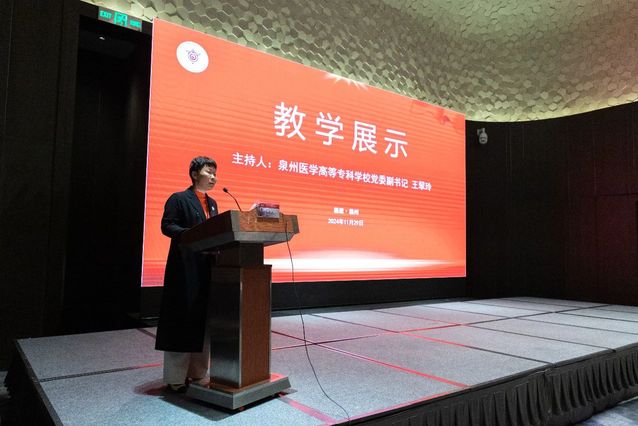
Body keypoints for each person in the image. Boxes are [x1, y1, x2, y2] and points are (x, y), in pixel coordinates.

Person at [155, 156, 218, 393]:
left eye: (215, 174)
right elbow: (167, 225)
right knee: (181, 321)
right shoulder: (179, 199)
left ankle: (198, 373)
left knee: (202, 323)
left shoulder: (212, 203)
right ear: (194, 174)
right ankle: (176, 378)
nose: (213, 177)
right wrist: (191, 235)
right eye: (209, 172)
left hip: (207, 269)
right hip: (184, 269)